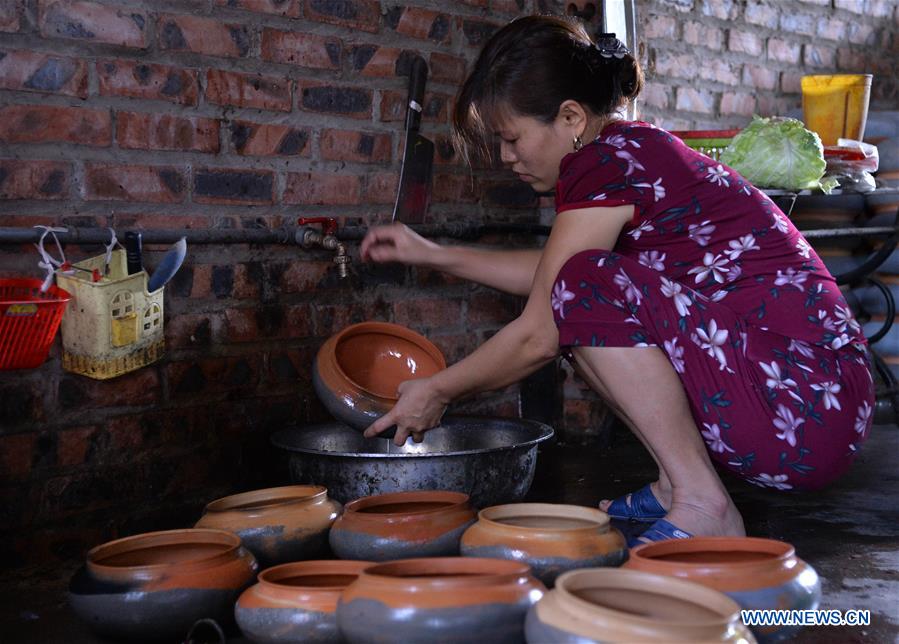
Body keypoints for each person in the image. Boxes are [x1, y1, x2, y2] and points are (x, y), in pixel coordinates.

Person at [359, 15, 875, 543]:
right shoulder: (626, 151)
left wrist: (438, 391)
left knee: (579, 293)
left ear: (571, 117)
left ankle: (705, 503)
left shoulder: (605, 163)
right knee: (578, 292)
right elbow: (556, 276)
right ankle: (677, 485)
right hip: (814, 403)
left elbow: (542, 329)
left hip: (806, 401)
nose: (506, 157)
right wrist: (434, 254)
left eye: (511, 138)